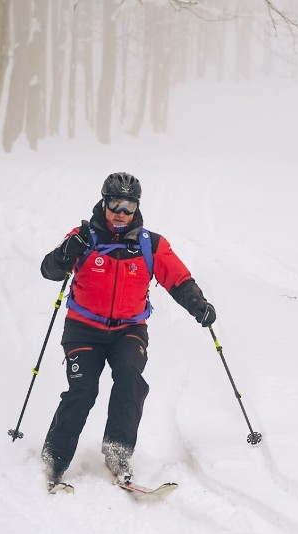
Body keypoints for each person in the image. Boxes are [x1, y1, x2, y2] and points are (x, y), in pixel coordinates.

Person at [40, 172, 216, 492]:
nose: (121, 213)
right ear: (104, 203)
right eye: (115, 204)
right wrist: (67, 251)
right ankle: (56, 456)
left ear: (136, 208)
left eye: (128, 206)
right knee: (83, 391)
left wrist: (198, 304)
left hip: (129, 330)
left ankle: (118, 452)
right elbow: (49, 270)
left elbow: (178, 279)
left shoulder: (150, 245)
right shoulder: (84, 236)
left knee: (130, 379)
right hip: (83, 329)